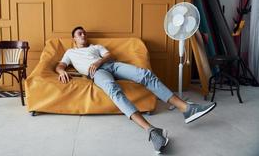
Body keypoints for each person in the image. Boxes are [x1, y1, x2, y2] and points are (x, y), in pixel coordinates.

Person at [56, 26, 216, 154]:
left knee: (145, 74)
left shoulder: (96, 46)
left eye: (84, 33)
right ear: (74, 38)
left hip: (111, 65)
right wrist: (62, 71)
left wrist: (98, 62)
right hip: (98, 73)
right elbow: (60, 65)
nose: (83, 35)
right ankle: (152, 131)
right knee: (113, 90)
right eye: (79, 33)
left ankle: (186, 108)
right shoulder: (71, 52)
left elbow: (109, 56)